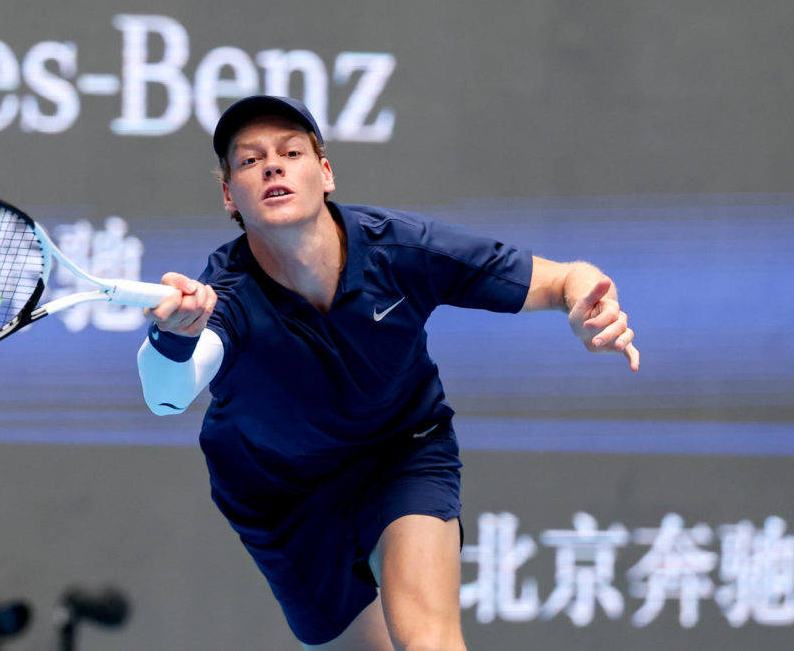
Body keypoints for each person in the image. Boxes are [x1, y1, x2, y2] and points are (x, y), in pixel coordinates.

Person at [136, 95, 639, 650]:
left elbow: (562, 278)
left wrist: (587, 306)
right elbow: (167, 394)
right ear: (230, 194)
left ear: (325, 172)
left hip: (400, 451)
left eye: (291, 152)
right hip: (281, 496)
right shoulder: (226, 294)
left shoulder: (398, 250)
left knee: (428, 642)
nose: (273, 166)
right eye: (251, 161)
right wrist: (173, 338)